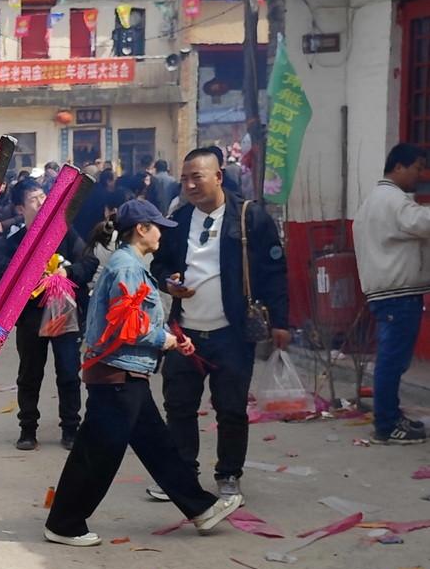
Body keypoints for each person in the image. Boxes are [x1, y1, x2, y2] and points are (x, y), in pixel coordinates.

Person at [45, 202, 242, 546]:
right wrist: (166, 340)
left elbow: (136, 317)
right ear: (141, 229)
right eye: (157, 226)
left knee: (158, 447)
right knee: (98, 454)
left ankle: (201, 508)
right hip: (117, 373)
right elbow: (127, 326)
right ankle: (64, 523)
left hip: (126, 372)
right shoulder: (127, 267)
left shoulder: (132, 264)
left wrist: (170, 336)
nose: (161, 234)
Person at [151, 146, 290, 496]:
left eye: (196, 177)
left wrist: (281, 321)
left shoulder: (249, 217)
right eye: (184, 179)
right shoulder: (179, 220)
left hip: (232, 334)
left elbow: (274, 272)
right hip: (185, 333)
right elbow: (159, 264)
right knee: (179, 406)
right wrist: (168, 282)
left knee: (231, 409)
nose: (189, 186)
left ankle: (229, 475)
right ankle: (183, 475)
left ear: (218, 177)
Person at [0, 182, 94, 451]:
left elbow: (88, 262)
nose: (42, 202)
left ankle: (71, 428)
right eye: (34, 199)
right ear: (20, 208)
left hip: (63, 313)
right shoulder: (14, 242)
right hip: (30, 317)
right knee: (29, 375)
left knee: (69, 372)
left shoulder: (66, 234)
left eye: (43, 196)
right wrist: (25, 277)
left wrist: (67, 273)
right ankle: (27, 430)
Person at [353, 141, 430, 444]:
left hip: (387, 292)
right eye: (417, 168)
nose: (420, 175)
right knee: (391, 361)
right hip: (398, 294)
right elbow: (422, 222)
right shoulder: (393, 200)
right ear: (398, 166)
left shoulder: (374, 200)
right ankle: (386, 425)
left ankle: (390, 417)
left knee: (391, 360)